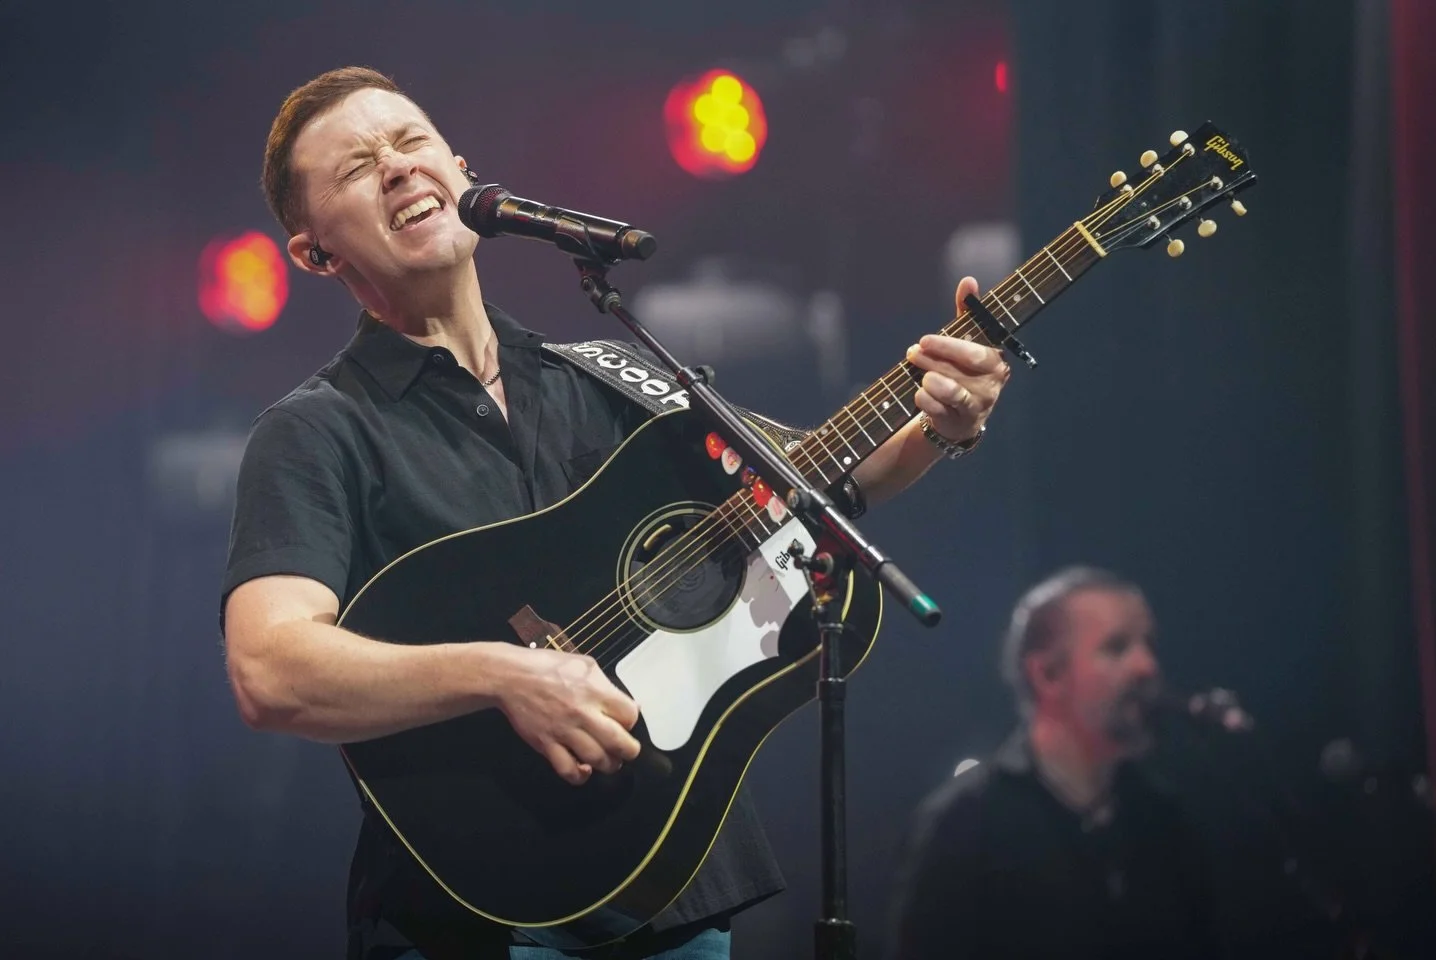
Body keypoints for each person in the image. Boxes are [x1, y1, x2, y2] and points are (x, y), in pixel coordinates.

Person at [221, 66, 1011, 960]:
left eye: (409, 143)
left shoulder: (607, 369)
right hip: (469, 918)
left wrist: (940, 424)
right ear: (315, 251)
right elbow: (270, 669)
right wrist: (503, 675)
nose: (398, 168)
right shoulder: (318, 429)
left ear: (460, 169)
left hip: (667, 893)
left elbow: (816, 471)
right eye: (358, 167)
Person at [887, 567, 1213, 960]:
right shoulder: (965, 823)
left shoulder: (1162, 816)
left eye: (1149, 644)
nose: (1147, 666)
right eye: (1117, 647)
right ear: (1047, 674)